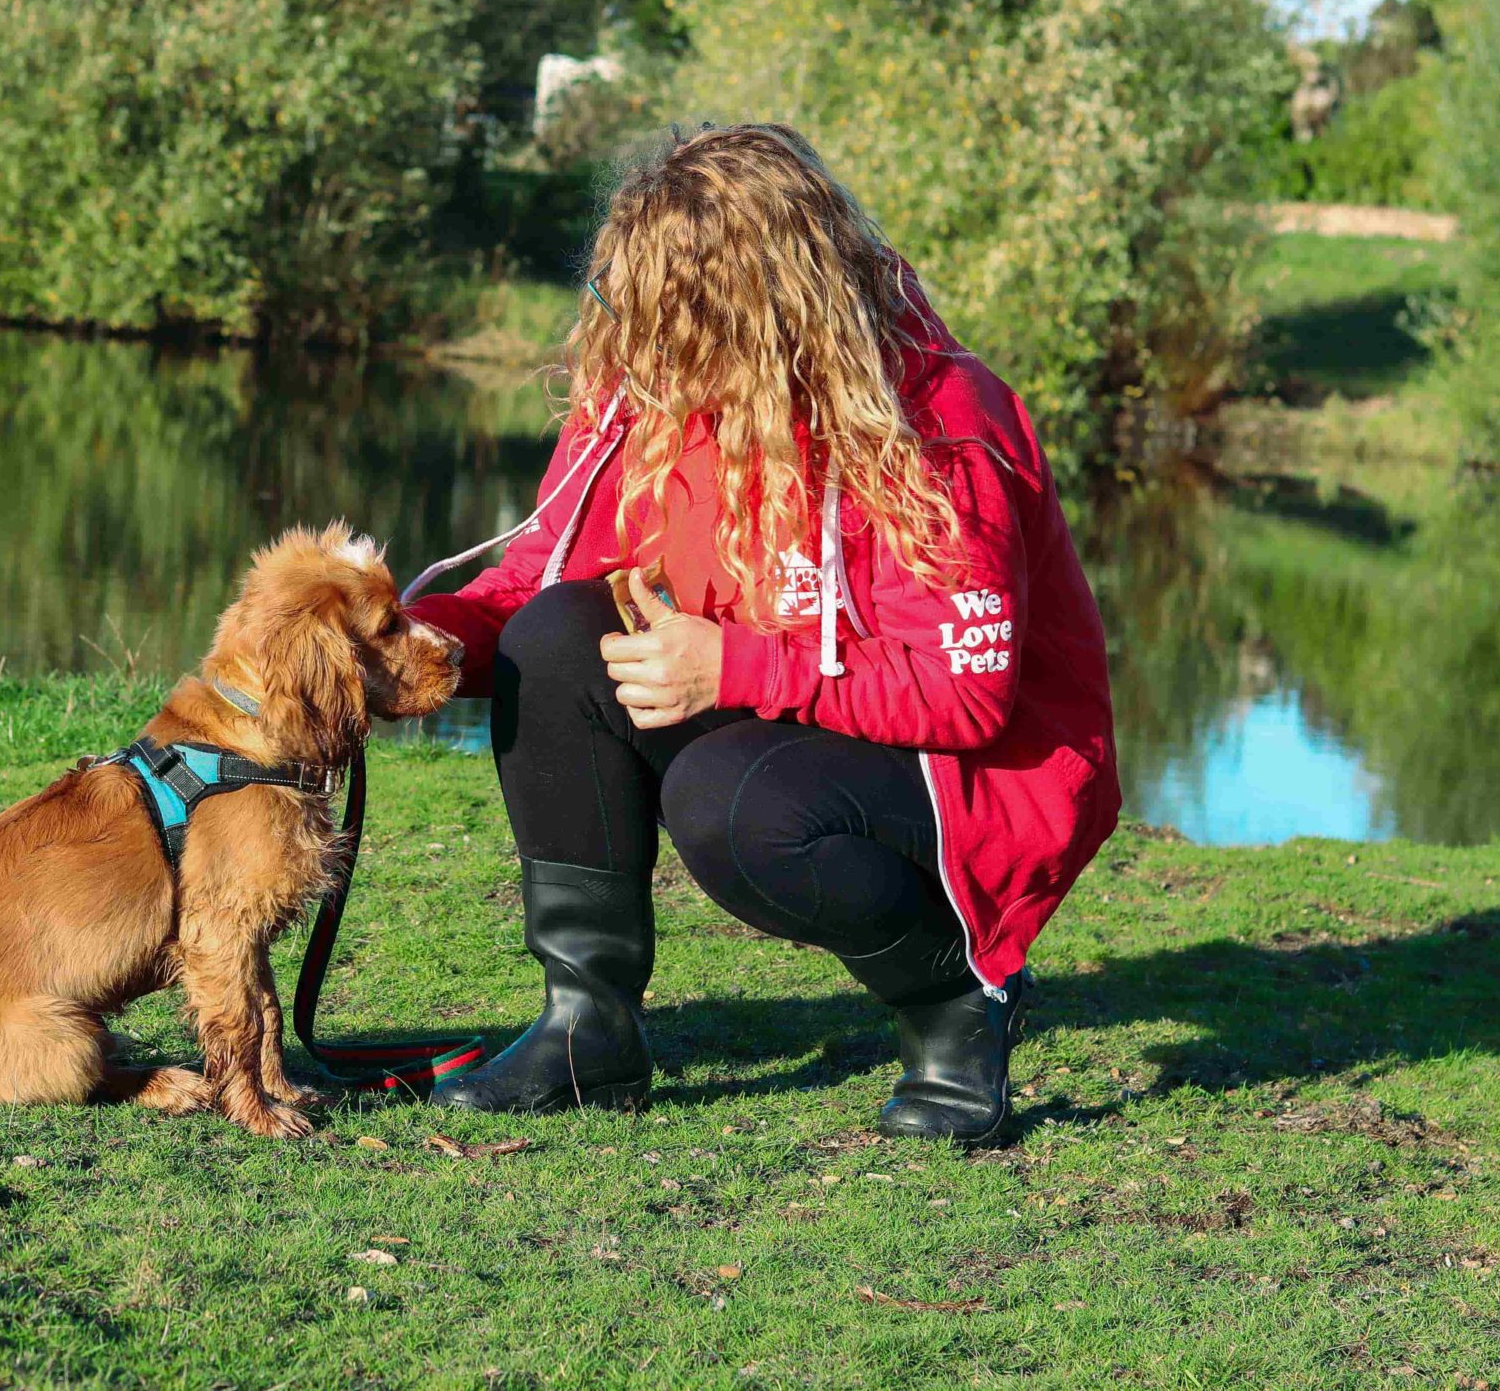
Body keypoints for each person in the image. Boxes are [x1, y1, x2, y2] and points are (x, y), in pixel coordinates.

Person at [404, 124, 1119, 1142]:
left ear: (759, 311)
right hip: (777, 706)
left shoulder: (939, 419)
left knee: (733, 801)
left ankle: (957, 1000)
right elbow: (532, 586)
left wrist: (727, 664)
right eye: (624, 309)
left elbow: (966, 699)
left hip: (980, 770)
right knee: (556, 636)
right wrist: (390, 650)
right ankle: (586, 1029)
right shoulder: (643, 386)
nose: (633, 352)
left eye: (670, 326)